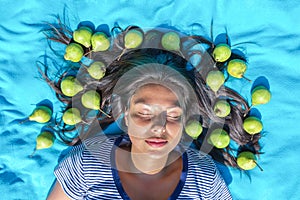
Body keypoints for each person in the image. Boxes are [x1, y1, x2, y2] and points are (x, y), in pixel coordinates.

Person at [42, 18, 262, 200]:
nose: (159, 127)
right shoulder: (87, 163)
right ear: (125, 117)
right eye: (145, 113)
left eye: (173, 115)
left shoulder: (204, 178)